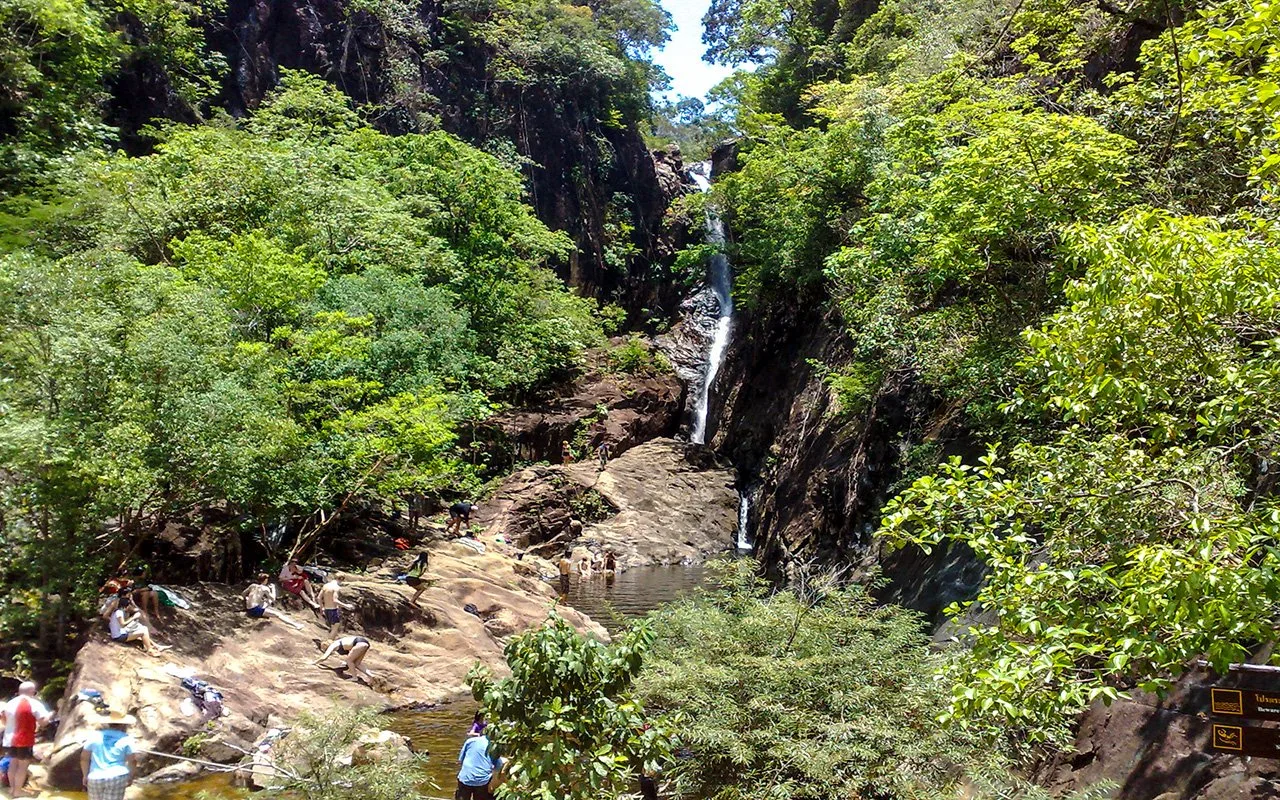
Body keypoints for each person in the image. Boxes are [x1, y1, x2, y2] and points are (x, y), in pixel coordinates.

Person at [2, 682, 51, 797]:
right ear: (32, 692)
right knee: (23, 765)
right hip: (24, 739)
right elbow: (43, 722)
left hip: (9, 739)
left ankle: (12, 789)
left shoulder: (9, 703)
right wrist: (50, 715)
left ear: (19, 691)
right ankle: (18, 791)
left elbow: (4, 720)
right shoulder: (34, 703)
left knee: (13, 762)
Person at [80, 709, 136, 800]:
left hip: (95, 776)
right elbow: (132, 761)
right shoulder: (127, 738)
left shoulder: (94, 736)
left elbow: (84, 758)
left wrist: (85, 775)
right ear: (123, 724)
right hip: (117, 776)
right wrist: (130, 777)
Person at [456, 731, 503, 800]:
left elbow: (461, 760)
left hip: (465, 778)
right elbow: (498, 767)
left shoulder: (470, 741)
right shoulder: (494, 747)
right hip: (482, 781)